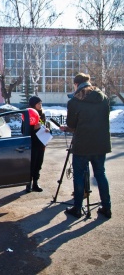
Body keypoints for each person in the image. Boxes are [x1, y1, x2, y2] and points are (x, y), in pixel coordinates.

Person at [60, 73, 112, 218]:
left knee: (79, 175)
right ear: (89, 82)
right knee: (100, 174)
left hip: (82, 144)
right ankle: (106, 207)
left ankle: (77, 208)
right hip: (100, 144)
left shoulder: (74, 102)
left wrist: (71, 127)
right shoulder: (104, 98)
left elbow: (71, 124)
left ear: (76, 84)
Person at [25, 96, 50, 193]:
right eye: (38, 104)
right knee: (32, 163)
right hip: (32, 143)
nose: (40, 105)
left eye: (41, 104)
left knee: (39, 163)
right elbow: (24, 130)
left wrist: (48, 129)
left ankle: (35, 183)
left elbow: (45, 126)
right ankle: (28, 184)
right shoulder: (28, 115)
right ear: (33, 105)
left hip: (41, 143)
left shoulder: (42, 115)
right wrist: (33, 129)